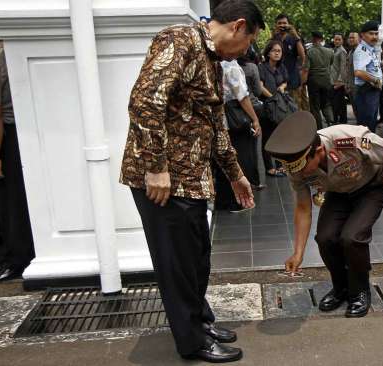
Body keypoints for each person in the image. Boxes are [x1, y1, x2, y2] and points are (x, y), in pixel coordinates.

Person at [119, 1, 260, 362]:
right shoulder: (179, 39)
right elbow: (145, 101)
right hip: (164, 181)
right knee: (177, 265)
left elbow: (216, 125)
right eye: (248, 43)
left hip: (192, 181)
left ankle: (201, 322)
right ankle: (192, 342)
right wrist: (155, 166)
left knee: (196, 260)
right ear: (238, 26)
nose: (245, 52)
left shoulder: (211, 59)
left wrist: (236, 175)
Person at [265, 111, 383, 318]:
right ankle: (341, 288)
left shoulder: (347, 139)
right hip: (339, 192)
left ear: (318, 151)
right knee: (325, 238)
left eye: (302, 166)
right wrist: (298, 253)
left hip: (372, 186)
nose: (299, 172)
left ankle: (360, 291)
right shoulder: (297, 166)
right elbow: (302, 207)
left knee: (352, 237)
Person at [0, 40, 35, 282]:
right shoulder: (9, 52)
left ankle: (14, 260)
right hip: (21, 130)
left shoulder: (2, 58)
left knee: (10, 202)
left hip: (9, 135)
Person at [214, 58, 262, 213]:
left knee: (223, 158)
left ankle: (223, 201)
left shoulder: (214, 63)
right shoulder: (231, 66)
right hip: (235, 119)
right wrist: (255, 119)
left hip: (220, 119)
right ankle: (237, 201)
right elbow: (242, 96)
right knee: (240, 157)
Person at [258, 40, 289, 178]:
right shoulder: (262, 67)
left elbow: (285, 81)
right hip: (267, 106)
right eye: (274, 50)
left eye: (279, 51)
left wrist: (282, 87)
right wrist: (272, 97)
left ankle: (280, 165)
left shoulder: (282, 67)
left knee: (281, 136)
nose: (277, 53)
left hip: (280, 107)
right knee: (267, 137)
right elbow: (260, 86)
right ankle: (269, 167)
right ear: (268, 52)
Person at [238, 47, 265, 191]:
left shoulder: (225, 65)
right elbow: (257, 90)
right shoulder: (252, 67)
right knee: (252, 148)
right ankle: (254, 181)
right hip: (252, 107)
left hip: (233, 113)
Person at [273, 14, 309, 111]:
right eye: (279, 23)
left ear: (289, 25)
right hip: (278, 80)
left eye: (284, 23)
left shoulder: (294, 38)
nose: (282, 25)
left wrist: (296, 36)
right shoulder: (274, 39)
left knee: (295, 107)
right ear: (276, 25)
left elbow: (303, 56)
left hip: (292, 79)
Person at [354, 21, 383, 132]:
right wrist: (376, 80)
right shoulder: (362, 50)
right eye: (371, 34)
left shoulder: (371, 49)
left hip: (372, 91)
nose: (374, 37)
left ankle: (368, 147)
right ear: (362, 35)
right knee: (366, 126)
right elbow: (359, 72)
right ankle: (365, 148)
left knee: (371, 124)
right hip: (366, 92)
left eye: (376, 34)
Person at [303, 31, 334, 129]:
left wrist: (303, 82)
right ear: (321, 39)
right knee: (326, 103)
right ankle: (331, 122)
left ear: (313, 39)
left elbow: (306, 69)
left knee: (315, 106)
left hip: (314, 81)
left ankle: (319, 128)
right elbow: (331, 63)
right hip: (326, 81)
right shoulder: (330, 51)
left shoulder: (310, 52)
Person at [331, 33, 348, 124]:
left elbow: (343, 68)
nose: (336, 41)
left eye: (339, 39)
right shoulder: (335, 50)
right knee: (338, 104)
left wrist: (340, 81)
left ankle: (340, 122)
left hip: (338, 82)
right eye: (335, 39)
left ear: (342, 41)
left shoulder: (342, 51)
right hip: (333, 80)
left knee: (338, 104)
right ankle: (339, 121)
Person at [345, 32, 360, 121]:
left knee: (360, 111)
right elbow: (348, 70)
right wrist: (347, 84)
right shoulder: (351, 52)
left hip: (358, 87)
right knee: (355, 110)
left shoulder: (361, 52)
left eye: (353, 38)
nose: (351, 39)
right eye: (349, 38)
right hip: (351, 86)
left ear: (359, 39)